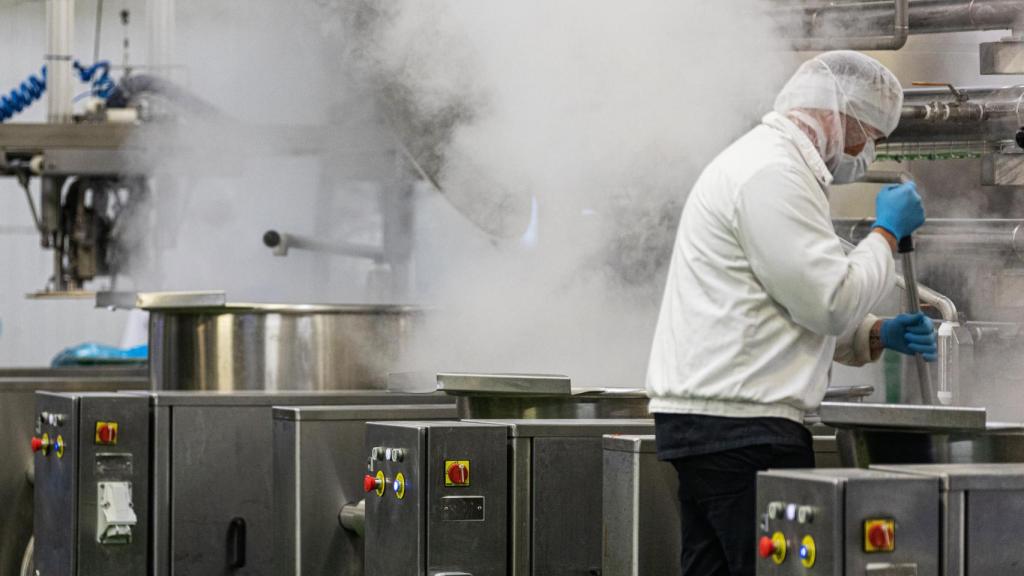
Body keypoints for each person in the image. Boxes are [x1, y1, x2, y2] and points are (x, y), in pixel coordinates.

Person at [645, 50, 938, 576]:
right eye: (867, 135)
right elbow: (828, 300)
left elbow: (783, 298)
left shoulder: (772, 167)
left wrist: (876, 334)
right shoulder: (772, 172)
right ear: (836, 113)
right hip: (744, 434)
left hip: (715, 428)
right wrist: (886, 233)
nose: (865, 152)